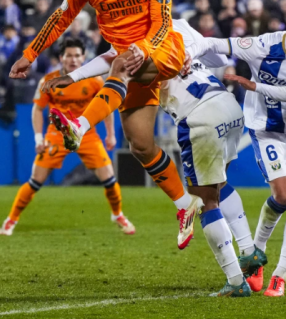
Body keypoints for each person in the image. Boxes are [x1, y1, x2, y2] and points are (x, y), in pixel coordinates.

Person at [9, 0, 198, 249]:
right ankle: (185, 205)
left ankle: (79, 127)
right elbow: (60, 17)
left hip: (163, 48)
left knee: (120, 64)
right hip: (129, 62)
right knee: (140, 145)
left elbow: (162, 21)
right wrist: (31, 54)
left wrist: (142, 48)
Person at [59, 20, 266, 298]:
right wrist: (192, 50)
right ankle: (249, 250)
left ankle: (235, 280)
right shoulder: (178, 26)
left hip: (201, 116)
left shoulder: (138, 44)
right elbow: (218, 56)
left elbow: (113, 63)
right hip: (229, 106)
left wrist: (76, 79)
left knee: (204, 199)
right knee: (218, 184)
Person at [201, 0, 286, 297]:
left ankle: (280, 276)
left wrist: (254, 85)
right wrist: (184, 54)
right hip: (265, 128)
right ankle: (255, 254)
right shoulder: (262, 45)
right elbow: (215, 43)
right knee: (282, 195)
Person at [0, 38, 134, 236]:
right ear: (61, 58)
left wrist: (111, 135)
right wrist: (38, 138)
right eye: (69, 55)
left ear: (84, 57)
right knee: (35, 181)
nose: (73, 59)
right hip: (57, 136)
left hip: (87, 135)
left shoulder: (95, 81)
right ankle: (11, 219)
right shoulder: (48, 81)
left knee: (110, 179)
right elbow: (38, 109)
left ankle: (118, 214)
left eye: (77, 55)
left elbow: (106, 108)